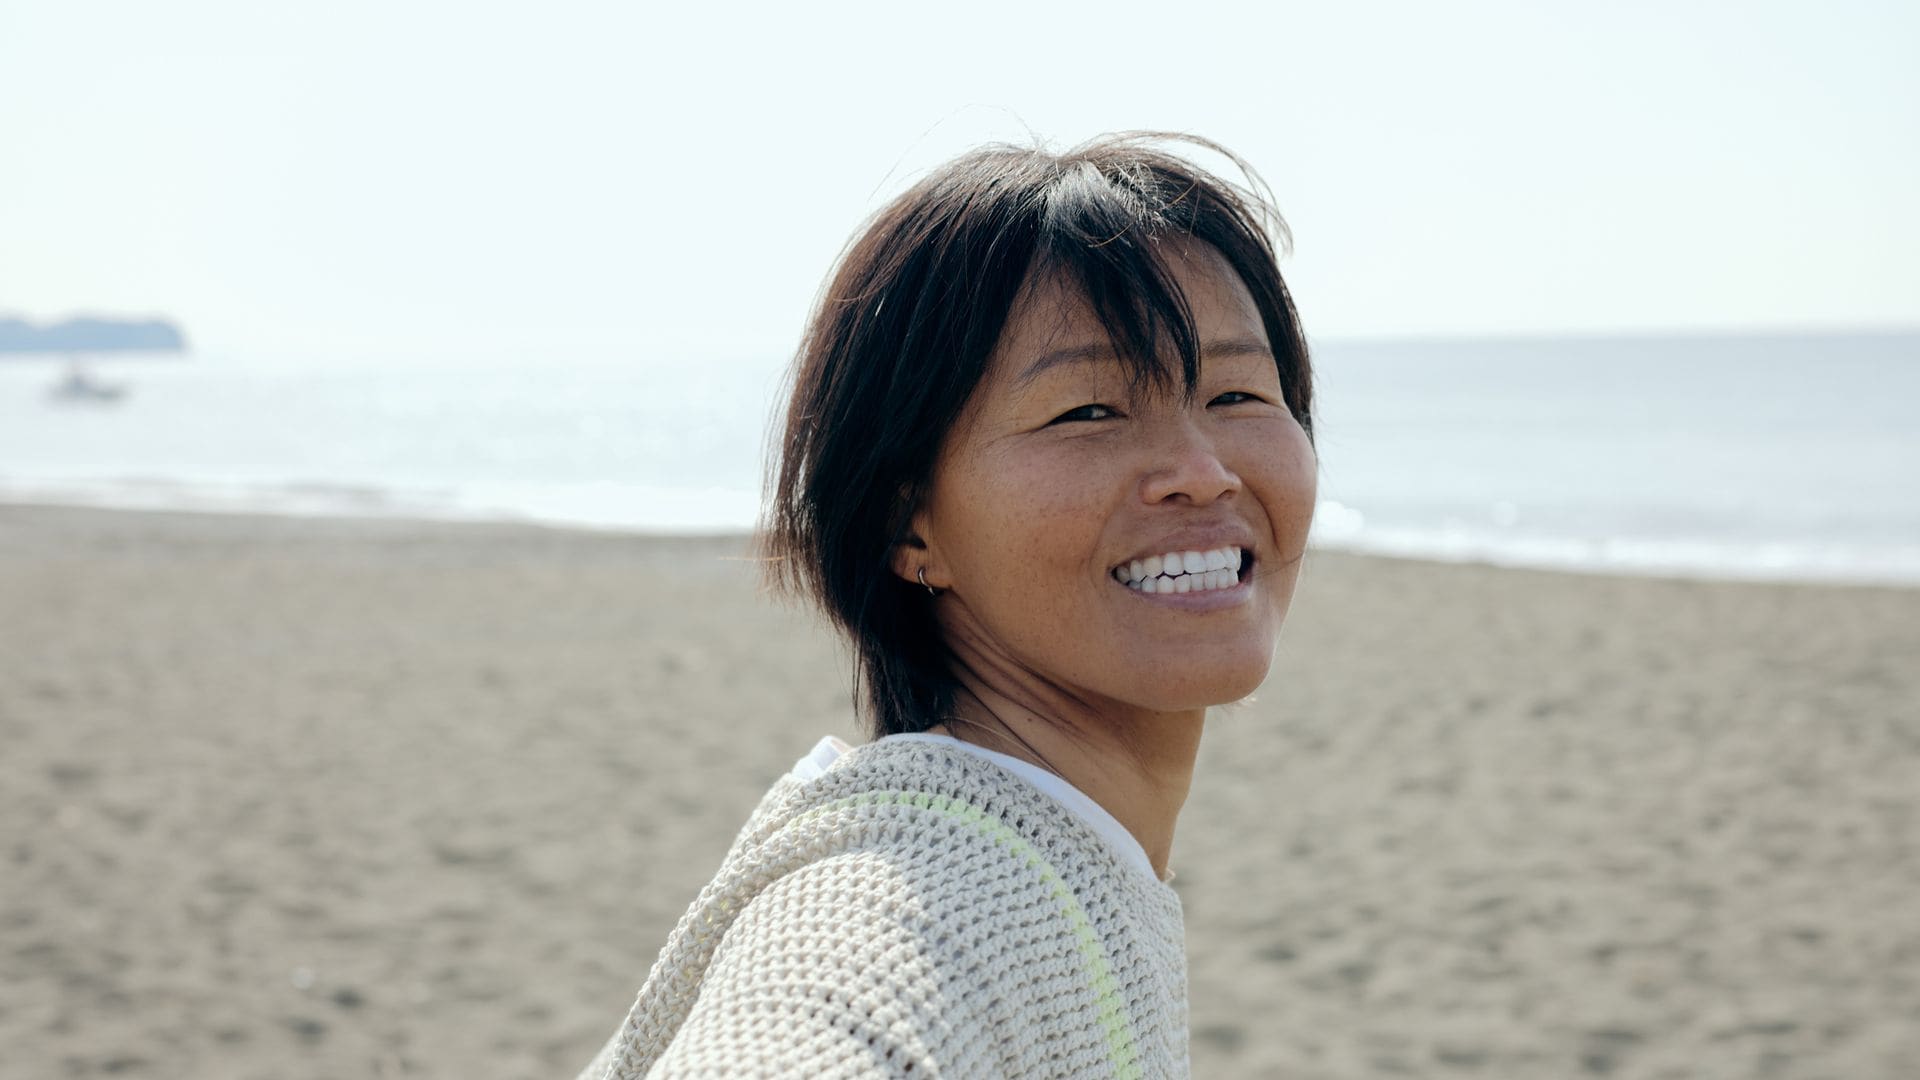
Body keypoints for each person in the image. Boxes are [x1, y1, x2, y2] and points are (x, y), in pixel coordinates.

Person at [576, 131, 1316, 1079]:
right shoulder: (922, 901)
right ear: (907, 524)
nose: (1203, 473)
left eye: (1241, 392)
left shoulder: (1072, 859)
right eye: (1087, 411)